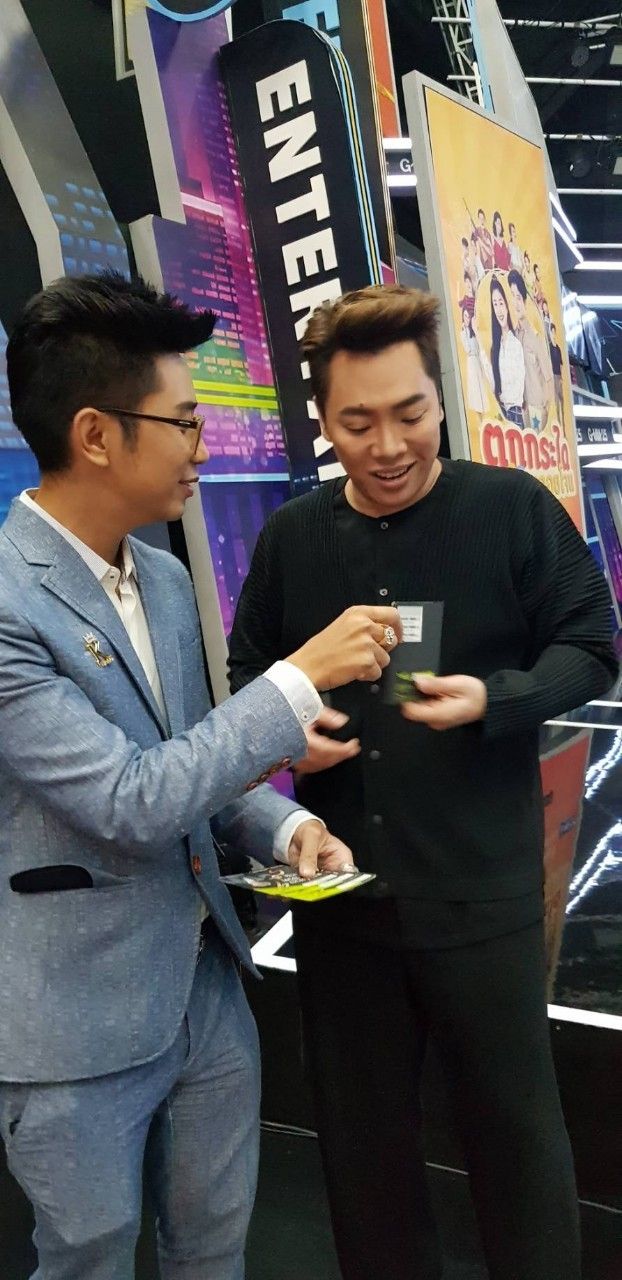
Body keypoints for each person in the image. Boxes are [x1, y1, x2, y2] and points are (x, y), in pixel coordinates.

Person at [0, 271, 402, 1280]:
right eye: (183, 421)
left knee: (214, 1248)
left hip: (207, 987)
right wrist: (297, 678)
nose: (203, 445)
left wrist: (281, 827)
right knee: (88, 1258)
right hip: (74, 1021)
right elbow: (129, 799)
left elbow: (194, 764)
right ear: (97, 434)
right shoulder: (7, 605)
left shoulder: (168, 578)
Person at [228, 283, 617, 1280]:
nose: (389, 444)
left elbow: (592, 644)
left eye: (410, 413)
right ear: (323, 421)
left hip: (482, 893)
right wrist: (291, 735)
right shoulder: (291, 539)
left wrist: (496, 697)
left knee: (516, 1140)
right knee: (363, 1151)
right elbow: (249, 671)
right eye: (358, 422)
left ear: (440, 398)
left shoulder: (509, 511)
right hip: (341, 904)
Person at [508, 268, 554, 433]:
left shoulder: (536, 337)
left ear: (525, 301)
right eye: (512, 296)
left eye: (518, 297)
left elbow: (548, 378)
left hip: (537, 409)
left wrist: (546, 411)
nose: (515, 303)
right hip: (520, 410)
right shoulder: (512, 337)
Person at [487, 274, 525, 426]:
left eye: (501, 303)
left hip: (514, 413)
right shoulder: (495, 347)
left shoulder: (515, 344)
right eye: (495, 304)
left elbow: (519, 383)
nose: (499, 309)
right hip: (502, 412)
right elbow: (492, 382)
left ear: (508, 306)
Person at [460, 306, 487, 417]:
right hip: (471, 362)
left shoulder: (474, 331)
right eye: (465, 316)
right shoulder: (463, 333)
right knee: (475, 392)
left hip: (478, 361)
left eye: (468, 316)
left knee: (481, 391)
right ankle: (480, 419)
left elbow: (479, 347)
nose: (466, 319)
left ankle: (483, 418)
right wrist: (464, 332)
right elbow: (468, 349)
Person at [549, 322, 566, 431]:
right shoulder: (549, 347)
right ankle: (558, 424)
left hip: (559, 377)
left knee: (561, 400)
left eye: (554, 332)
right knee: (556, 402)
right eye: (551, 332)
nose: (553, 334)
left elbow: (561, 364)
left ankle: (563, 423)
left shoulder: (558, 348)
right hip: (553, 376)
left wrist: (562, 378)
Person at [473, 207, 494, 272]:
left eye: (482, 218)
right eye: (480, 218)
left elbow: (491, 250)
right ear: (478, 219)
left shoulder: (487, 233)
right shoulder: (476, 231)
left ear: (484, 219)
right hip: (481, 259)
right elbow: (474, 246)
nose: (481, 220)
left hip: (489, 260)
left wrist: (482, 243)